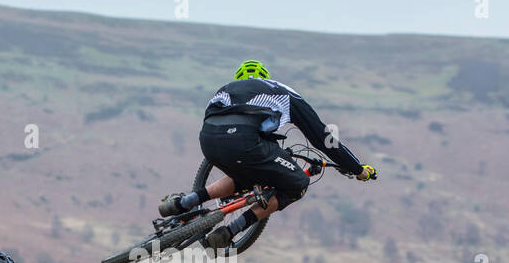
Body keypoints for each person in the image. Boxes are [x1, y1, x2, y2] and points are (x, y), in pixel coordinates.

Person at [158, 59, 377, 249]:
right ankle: (229, 232)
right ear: (267, 78)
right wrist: (357, 168)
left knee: (242, 177)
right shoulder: (283, 92)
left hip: (208, 141)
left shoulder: (226, 88)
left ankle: (182, 203)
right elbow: (323, 138)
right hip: (245, 141)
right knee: (297, 183)